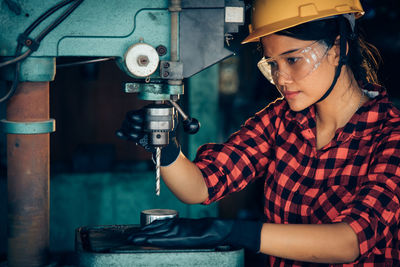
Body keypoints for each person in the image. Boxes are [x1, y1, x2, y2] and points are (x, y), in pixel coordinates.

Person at [117, 0, 400, 265]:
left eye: (293, 59)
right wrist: (164, 148)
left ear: (338, 49)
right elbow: (201, 185)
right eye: (273, 64)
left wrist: (233, 231)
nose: (280, 78)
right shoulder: (281, 120)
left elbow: (349, 241)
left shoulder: (391, 137)